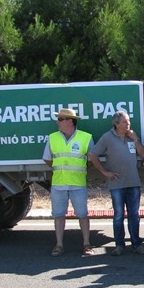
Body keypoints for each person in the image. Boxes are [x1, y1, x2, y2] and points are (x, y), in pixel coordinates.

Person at [89, 111, 144, 256]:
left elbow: (143, 154)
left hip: (133, 182)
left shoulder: (132, 137)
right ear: (116, 124)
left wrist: (135, 139)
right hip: (116, 184)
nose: (128, 124)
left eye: (128, 121)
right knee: (118, 216)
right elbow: (93, 154)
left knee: (134, 215)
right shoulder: (107, 137)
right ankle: (119, 245)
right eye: (124, 122)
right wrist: (105, 172)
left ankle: (136, 244)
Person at [43, 108, 95, 257]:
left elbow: (92, 158)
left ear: (70, 121)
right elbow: (47, 159)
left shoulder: (86, 137)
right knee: (58, 215)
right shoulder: (53, 137)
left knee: (82, 214)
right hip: (58, 183)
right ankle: (59, 245)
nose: (57, 122)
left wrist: (79, 169)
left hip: (78, 184)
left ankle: (86, 244)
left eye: (60, 119)